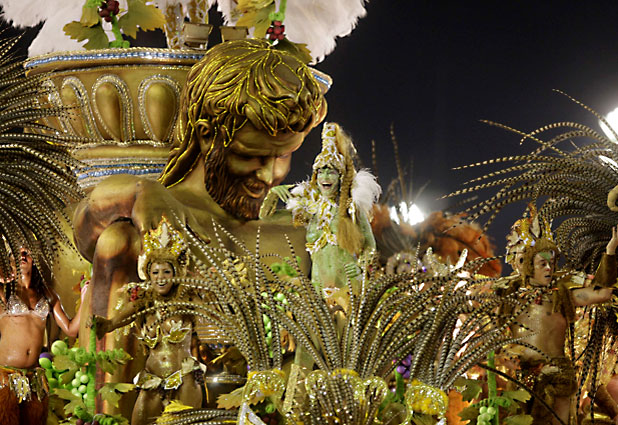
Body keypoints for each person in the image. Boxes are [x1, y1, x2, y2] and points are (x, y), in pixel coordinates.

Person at [496, 206, 616, 425]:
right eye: (543, 264)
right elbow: (497, 340)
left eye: (552, 263)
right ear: (529, 265)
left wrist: (610, 252)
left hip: (557, 378)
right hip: (522, 381)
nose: (549, 269)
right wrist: (507, 358)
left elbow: (603, 293)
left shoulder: (561, 296)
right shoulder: (509, 300)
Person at [94, 218, 205, 425]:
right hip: (152, 380)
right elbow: (116, 321)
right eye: (155, 272)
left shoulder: (187, 298)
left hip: (185, 378)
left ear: (175, 274)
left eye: (166, 272)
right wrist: (105, 325)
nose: (160, 277)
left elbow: (211, 312)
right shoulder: (143, 301)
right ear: (148, 275)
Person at [261, 122, 380, 307]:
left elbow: (370, 245)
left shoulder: (350, 209)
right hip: (318, 287)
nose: (325, 177)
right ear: (315, 177)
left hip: (347, 286)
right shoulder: (308, 209)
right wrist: (272, 195)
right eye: (321, 171)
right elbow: (265, 218)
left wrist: (360, 267)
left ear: (340, 177)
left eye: (331, 172)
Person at [0, 247, 84, 425]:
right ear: (9, 260)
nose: (22, 256)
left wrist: (84, 300)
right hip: (5, 377)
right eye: (16, 253)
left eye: (27, 253)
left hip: (35, 378)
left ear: (34, 259)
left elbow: (71, 329)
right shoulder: (4, 291)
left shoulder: (47, 294)